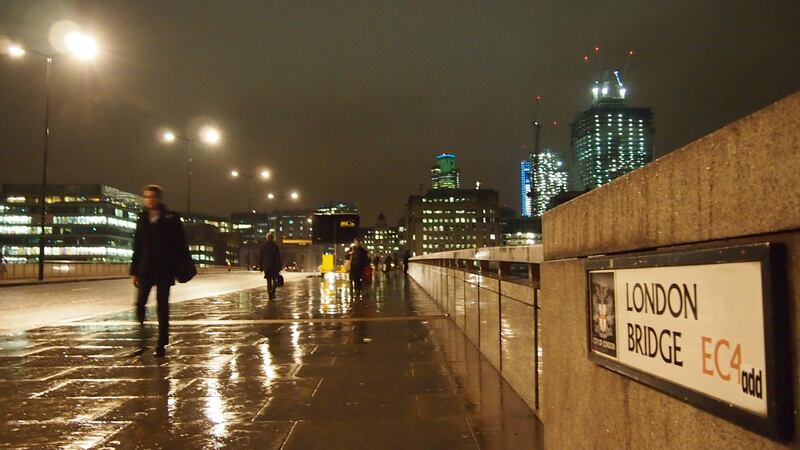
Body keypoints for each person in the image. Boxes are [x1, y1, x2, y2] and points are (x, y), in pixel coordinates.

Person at [130, 185, 189, 357]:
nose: (149, 199)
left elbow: (180, 244)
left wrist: (178, 265)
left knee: (162, 307)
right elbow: (137, 246)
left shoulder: (170, 218)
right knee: (140, 304)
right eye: (146, 196)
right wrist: (134, 271)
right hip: (145, 268)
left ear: (158, 198)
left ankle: (161, 343)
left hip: (164, 268)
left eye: (152, 197)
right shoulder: (142, 218)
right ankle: (143, 337)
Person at [260, 232, 282, 299]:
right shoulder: (275, 246)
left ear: (267, 238)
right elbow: (278, 257)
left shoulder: (263, 246)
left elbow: (261, 257)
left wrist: (261, 266)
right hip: (274, 266)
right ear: (273, 238)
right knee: (274, 279)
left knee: (268, 280)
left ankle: (269, 293)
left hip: (266, 266)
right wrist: (279, 267)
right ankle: (273, 291)